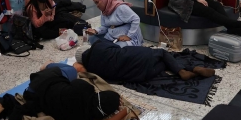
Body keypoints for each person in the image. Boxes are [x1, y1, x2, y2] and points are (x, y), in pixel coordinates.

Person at [7, 68, 122, 120]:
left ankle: (45, 66)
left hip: (40, 84)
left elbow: (74, 82)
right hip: (36, 95)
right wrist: (123, 110)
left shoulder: (85, 88)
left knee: (71, 69)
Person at [76, 40, 216, 82]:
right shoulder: (98, 45)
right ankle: (183, 70)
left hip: (140, 75)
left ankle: (189, 71)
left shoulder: (92, 70)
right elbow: (116, 46)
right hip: (136, 56)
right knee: (162, 53)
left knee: (163, 65)